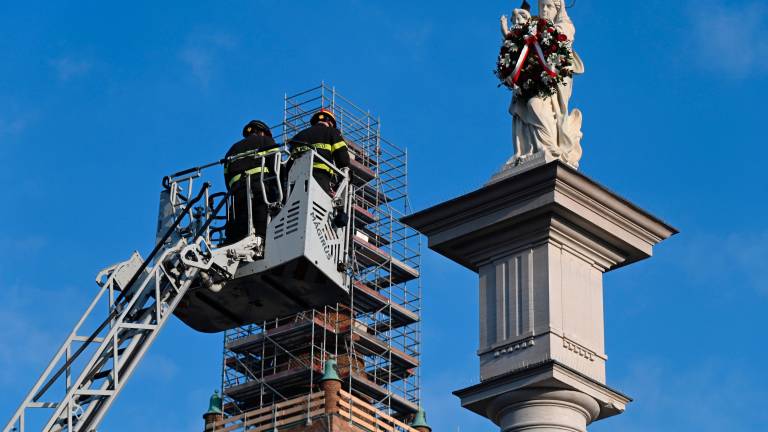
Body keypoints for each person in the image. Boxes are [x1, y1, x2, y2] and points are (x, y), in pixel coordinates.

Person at [500, 0, 585, 168]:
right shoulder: (535, 26)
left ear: (558, 8)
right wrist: (512, 33)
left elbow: (556, 44)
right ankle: (527, 151)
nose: (544, 10)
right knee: (522, 108)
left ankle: (548, 148)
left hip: (552, 82)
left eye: (549, 6)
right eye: (542, 6)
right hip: (533, 80)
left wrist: (530, 29)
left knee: (535, 105)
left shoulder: (565, 26)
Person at [223, 119, 280, 245]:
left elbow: (227, 178)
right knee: (261, 226)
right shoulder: (266, 141)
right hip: (260, 191)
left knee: (240, 227)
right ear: (262, 132)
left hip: (237, 194)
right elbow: (276, 168)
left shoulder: (233, 149)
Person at [287, 109, 350, 195]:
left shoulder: (298, 136)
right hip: (320, 176)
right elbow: (342, 159)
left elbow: (289, 160)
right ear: (330, 122)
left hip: (295, 179)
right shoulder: (332, 132)